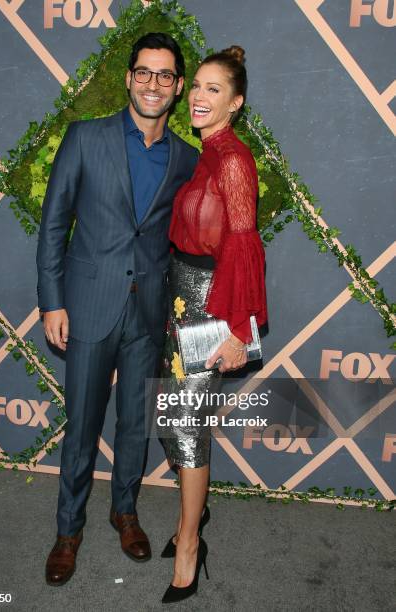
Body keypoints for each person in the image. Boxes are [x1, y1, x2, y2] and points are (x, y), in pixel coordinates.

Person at [36, 32, 199, 586]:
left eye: (165, 76)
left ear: (177, 89)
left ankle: (124, 511)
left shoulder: (187, 158)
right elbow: (54, 224)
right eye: (144, 72)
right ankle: (67, 530)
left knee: (135, 422)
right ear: (130, 77)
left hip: (148, 311)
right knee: (81, 423)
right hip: (87, 304)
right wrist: (52, 301)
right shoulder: (85, 138)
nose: (153, 83)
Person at [158, 46, 268, 603]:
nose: (199, 96)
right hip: (180, 302)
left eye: (213, 89)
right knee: (170, 420)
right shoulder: (206, 151)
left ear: (237, 102)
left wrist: (236, 332)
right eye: (196, 86)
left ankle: (188, 548)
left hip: (210, 304)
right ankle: (189, 523)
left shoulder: (231, 160)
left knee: (184, 426)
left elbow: (244, 248)